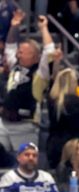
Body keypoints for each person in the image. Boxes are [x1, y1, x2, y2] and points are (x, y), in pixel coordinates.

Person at [0, 12, 54, 152]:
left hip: (25, 125)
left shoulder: (40, 73)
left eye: (23, 52)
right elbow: (10, 47)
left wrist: (43, 29)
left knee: (25, 161)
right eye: (19, 52)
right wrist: (13, 27)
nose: (18, 54)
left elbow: (49, 53)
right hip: (4, 122)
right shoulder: (15, 66)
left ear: (35, 56)